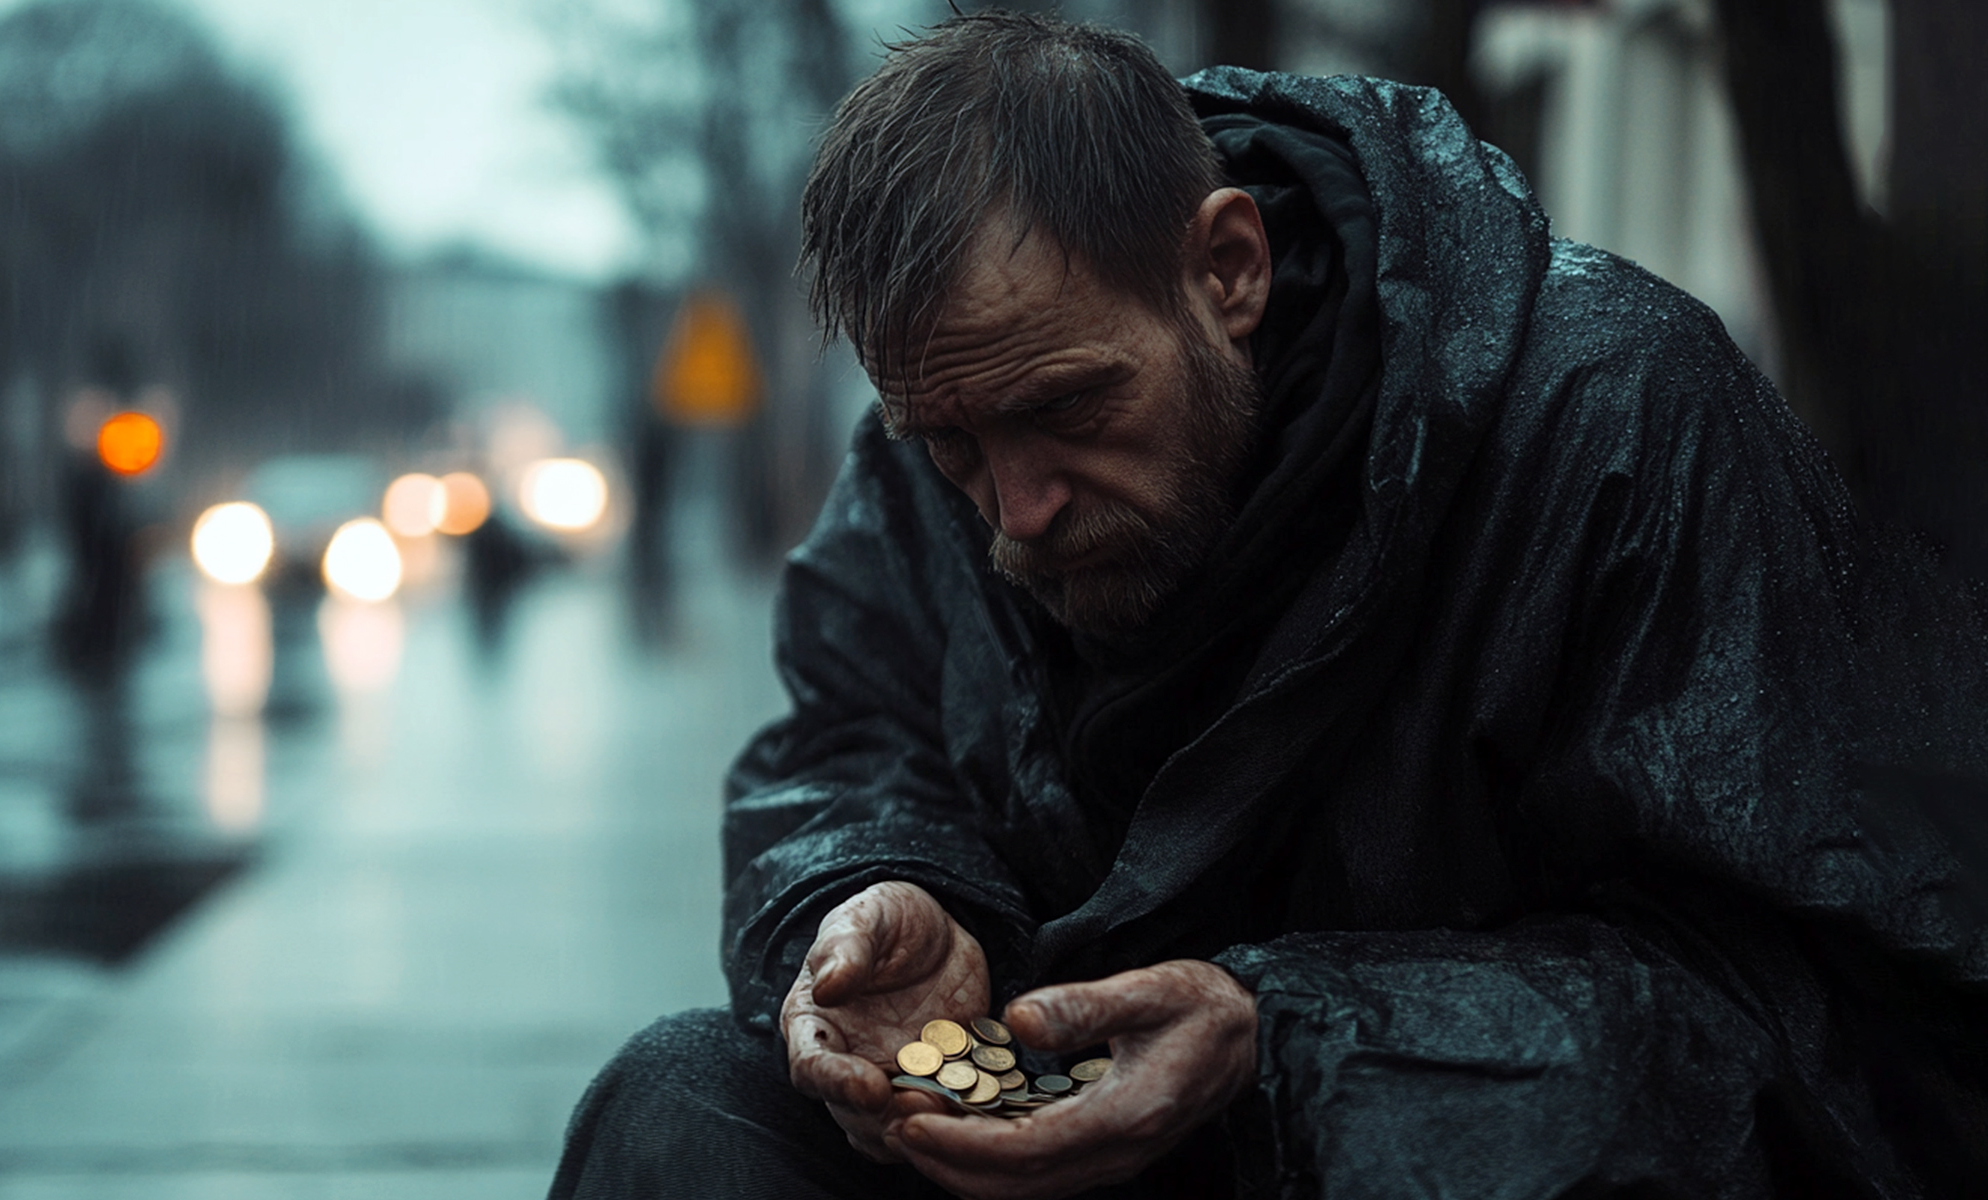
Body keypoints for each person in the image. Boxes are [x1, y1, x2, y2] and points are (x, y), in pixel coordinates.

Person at [552, 12, 1988, 1198]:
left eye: (1067, 408)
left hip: (1434, 1164)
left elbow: (1829, 1033)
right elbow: (847, 738)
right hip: (1070, 1154)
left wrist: (1289, 1042)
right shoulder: (940, 455)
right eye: (955, 444)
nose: (1017, 506)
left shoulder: (1617, 423)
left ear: (1227, 269)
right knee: (675, 1105)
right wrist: (878, 892)